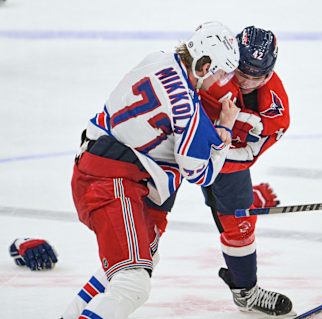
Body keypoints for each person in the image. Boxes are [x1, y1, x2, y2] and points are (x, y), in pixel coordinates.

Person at [61, 21, 240, 319]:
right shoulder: (188, 113)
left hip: (98, 167)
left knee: (141, 259)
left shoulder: (156, 58)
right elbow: (200, 173)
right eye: (221, 71)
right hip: (111, 183)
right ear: (204, 64)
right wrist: (223, 132)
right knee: (133, 284)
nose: (221, 80)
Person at [198, 25, 292, 317]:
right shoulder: (209, 71)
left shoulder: (275, 109)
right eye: (243, 72)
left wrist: (212, 158)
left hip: (227, 158)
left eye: (258, 76)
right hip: (174, 146)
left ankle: (246, 293)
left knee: (239, 223)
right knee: (146, 218)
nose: (248, 81)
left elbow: (249, 153)